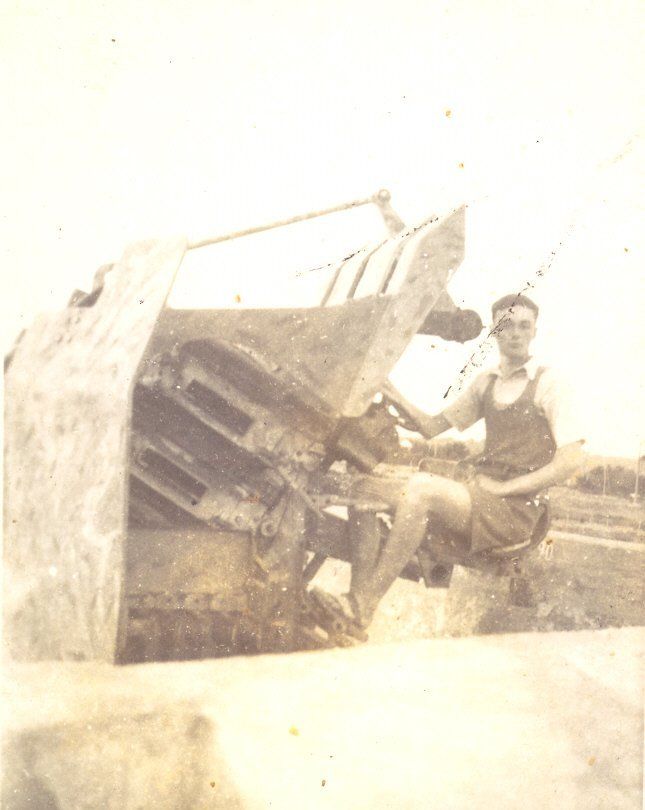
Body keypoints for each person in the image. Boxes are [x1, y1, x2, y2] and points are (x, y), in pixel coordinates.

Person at [323, 293, 586, 633]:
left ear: (535, 331)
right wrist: (391, 393)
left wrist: (506, 487)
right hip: (479, 495)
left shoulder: (550, 383)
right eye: (507, 325)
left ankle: (363, 606)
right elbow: (432, 427)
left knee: (420, 491)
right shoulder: (487, 382)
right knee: (363, 491)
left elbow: (571, 461)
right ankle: (355, 607)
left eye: (525, 326)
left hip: (516, 511)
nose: (516, 333)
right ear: (495, 331)